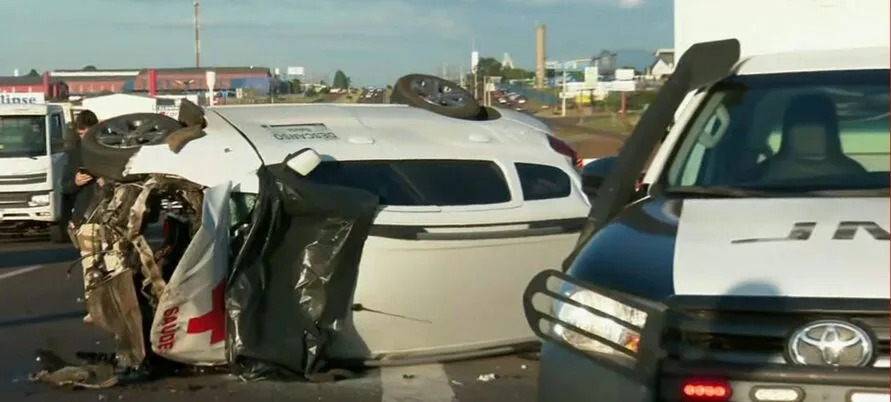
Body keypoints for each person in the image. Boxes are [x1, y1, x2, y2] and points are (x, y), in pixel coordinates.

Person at [61, 109, 103, 324]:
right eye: (81, 132)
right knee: (90, 263)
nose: (85, 136)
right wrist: (75, 182)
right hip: (86, 215)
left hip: (112, 215)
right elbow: (65, 188)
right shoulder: (74, 153)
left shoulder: (110, 148)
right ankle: (93, 307)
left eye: (89, 131)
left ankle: (114, 305)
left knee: (116, 262)